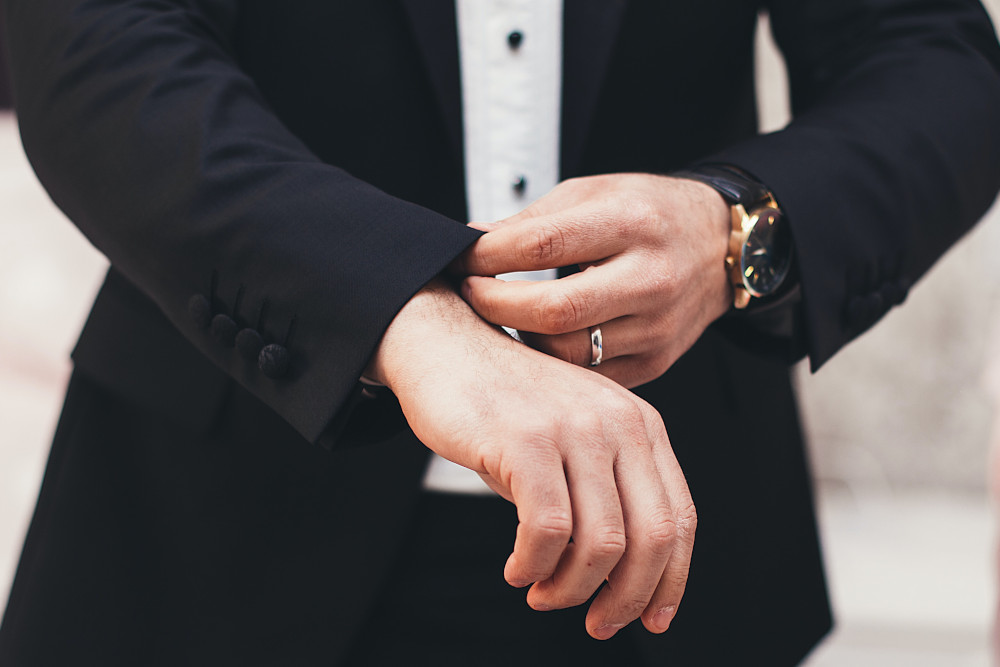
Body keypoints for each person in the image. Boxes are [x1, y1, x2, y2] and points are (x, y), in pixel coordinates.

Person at [1, 0, 999, 665]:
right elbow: (97, 48)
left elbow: (929, 59)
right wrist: (396, 308)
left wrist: (738, 229)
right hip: (205, 528)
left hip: (668, 547)